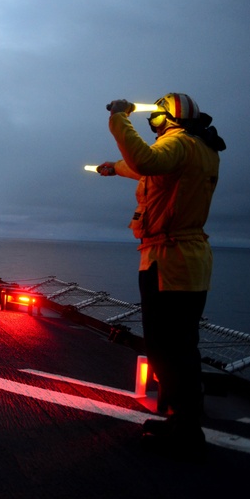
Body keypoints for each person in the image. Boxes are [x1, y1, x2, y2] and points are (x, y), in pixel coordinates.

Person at [97, 93, 225, 460]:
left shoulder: (179, 144)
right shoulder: (197, 147)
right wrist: (113, 168)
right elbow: (144, 168)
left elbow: (146, 160)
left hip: (170, 260)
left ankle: (185, 429)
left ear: (165, 118)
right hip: (183, 260)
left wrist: (119, 117)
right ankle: (182, 418)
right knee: (180, 345)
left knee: (168, 347)